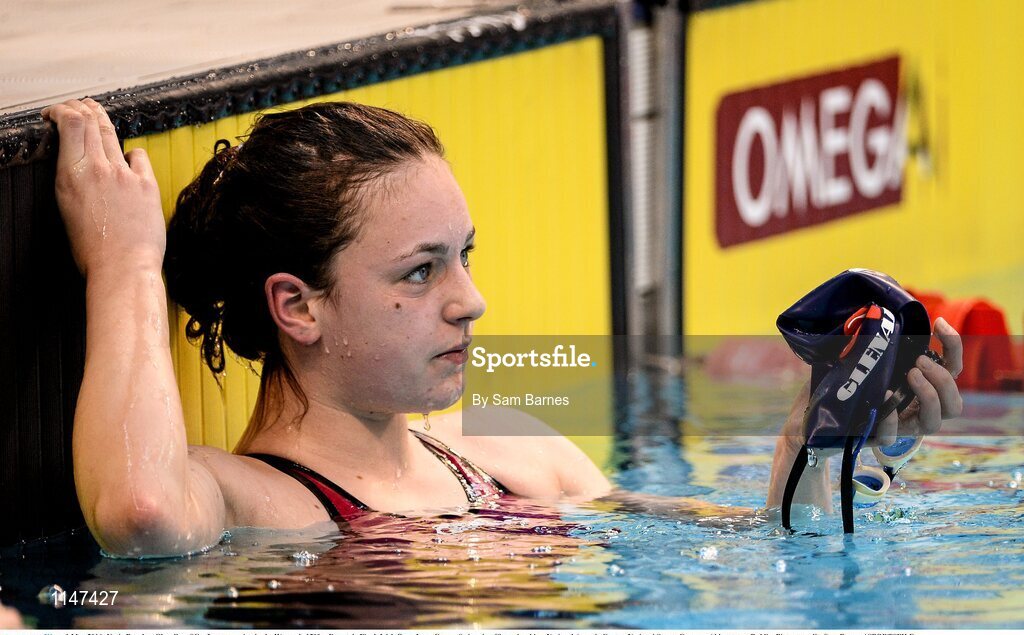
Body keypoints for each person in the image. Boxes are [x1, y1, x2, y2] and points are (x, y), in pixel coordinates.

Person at [42, 98, 963, 557]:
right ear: (298, 307)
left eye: (465, 255)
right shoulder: (245, 501)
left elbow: (760, 554)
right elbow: (141, 510)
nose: (470, 300)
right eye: (421, 270)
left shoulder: (510, 450)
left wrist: (824, 443)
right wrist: (125, 267)